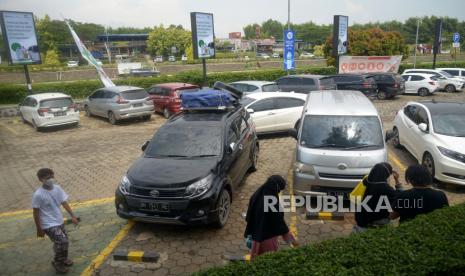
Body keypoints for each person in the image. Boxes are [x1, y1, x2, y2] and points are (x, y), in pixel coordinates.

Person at [32, 168, 79, 274]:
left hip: (59, 220)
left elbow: (64, 202)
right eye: (48, 178)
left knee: (63, 242)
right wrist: (39, 229)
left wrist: (73, 216)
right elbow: (36, 213)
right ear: (41, 180)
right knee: (62, 241)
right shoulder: (38, 195)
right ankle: (57, 263)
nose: (51, 180)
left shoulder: (57, 188)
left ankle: (64, 258)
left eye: (52, 177)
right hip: (48, 224)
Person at [244, 175, 299, 260]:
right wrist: (291, 240)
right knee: (268, 261)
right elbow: (279, 223)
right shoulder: (270, 200)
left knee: (255, 260)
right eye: (279, 189)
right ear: (276, 187)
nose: (278, 192)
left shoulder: (258, 193)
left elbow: (249, 216)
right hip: (267, 239)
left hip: (256, 237)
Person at [354, 162, 403, 232]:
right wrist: (397, 180)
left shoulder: (367, 181)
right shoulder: (385, 188)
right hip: (377, 221)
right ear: (386, 175)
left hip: (361, 219)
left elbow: (372, 175)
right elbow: (401, 197)